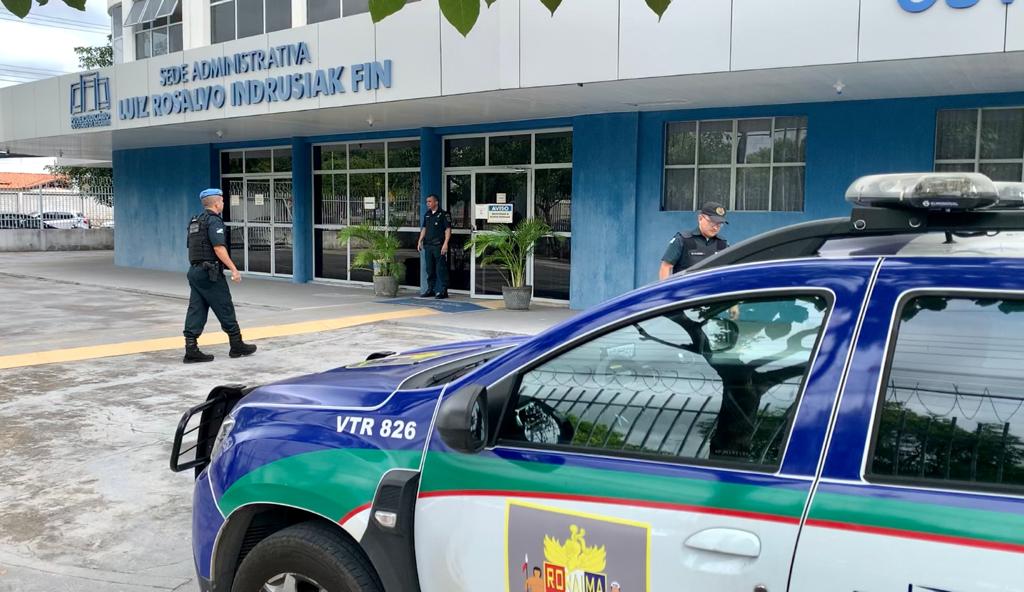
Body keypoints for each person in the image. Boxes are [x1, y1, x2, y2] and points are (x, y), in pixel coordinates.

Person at [182, 188, 257, 363]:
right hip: (210, 273)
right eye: (222, 201)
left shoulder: (196, 221)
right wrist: (234, 269)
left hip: (195, 271)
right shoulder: (214, 222)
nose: (223, 204)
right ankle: (236, 345)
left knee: (197, 308)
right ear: (217, 203)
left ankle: (191, 348)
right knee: (224, 305)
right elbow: (218, 248)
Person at [659, 201, 729, 280]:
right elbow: (666, 267)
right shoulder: (683, 240)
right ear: (700, 218)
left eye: (719, 224)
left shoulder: (722, 244)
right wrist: (667, 290)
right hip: (687, 290)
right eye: (712, 223)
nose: (716, 227)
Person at [417, 194, 452, 299]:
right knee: (429, 268)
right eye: (427, 202)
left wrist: (446, 243)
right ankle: (430, 289)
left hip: (438, 246)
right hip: (428, 245)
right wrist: (420, 241)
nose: (428, 203)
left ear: (436, 202)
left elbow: (448, 230)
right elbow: (424, 228)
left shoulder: (444, 214)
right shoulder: (427, 214)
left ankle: (444, 290)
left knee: (441, 268)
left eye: (430, 201)